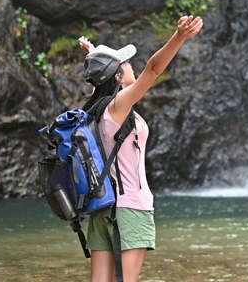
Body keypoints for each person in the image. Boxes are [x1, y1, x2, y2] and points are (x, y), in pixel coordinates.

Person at [78, 15, 203, 282]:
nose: (131, 66)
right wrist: (179, 37)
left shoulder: (95, 109)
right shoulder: (118, 106)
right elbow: (154, 69)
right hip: (130, 209)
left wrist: (93, 53)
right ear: (117, 75)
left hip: (103, 208)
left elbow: (101, 76)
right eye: (125, 63)